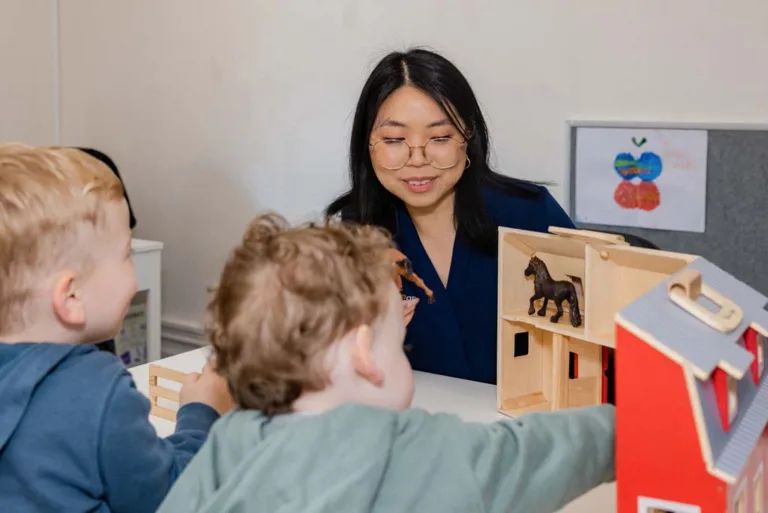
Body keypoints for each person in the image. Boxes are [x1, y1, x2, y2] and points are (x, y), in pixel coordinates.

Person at [156, 212, 614, 513]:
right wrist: (626, 425)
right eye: (400, 345)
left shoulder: (228, 441)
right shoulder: (414, 449)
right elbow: (535, 453)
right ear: (362, 354)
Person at [0, 144, 235, 512]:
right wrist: (201, 411)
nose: (135, 269)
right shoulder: (97, 390)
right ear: (71, 296)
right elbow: (173, 496)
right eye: (127, 253)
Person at [325, 48, 576, 384]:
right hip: (421, 426)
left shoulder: (529, 211)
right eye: (395, 139)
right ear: (368, 145)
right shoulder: (357, 230)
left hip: (528, 427)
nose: (418, 159)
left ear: (466, 138)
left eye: (440, 137)